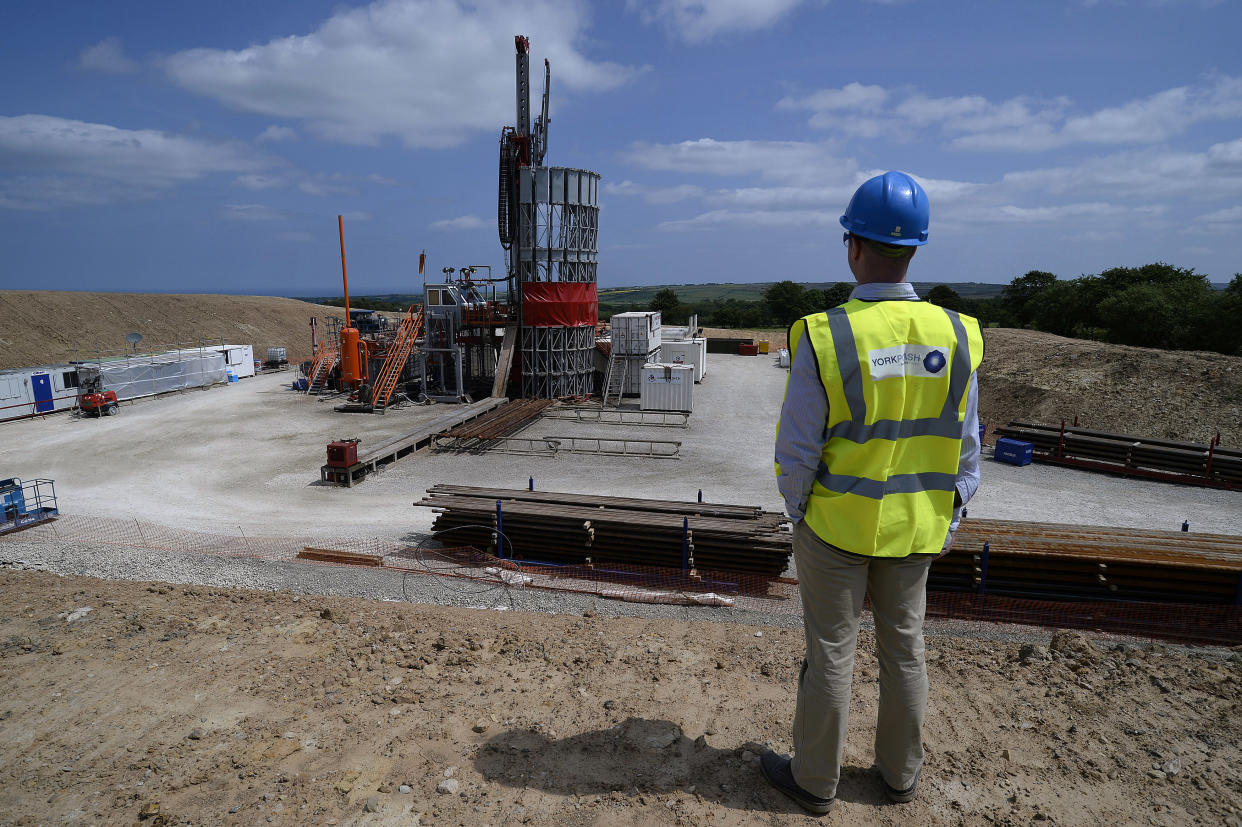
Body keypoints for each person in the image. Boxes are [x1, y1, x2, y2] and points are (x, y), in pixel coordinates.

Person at [763, 171, 983, 815]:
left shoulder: (824, 334)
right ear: (915, 249)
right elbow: (968, 449)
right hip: (917, 529)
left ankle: (814, 782)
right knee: (904, 650)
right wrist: (949, 513)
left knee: (831, 653)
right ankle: (898, 776)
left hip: (835, 528)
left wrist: (799, 512)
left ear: (852, 245)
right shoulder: (960, 334)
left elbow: (798, 449)